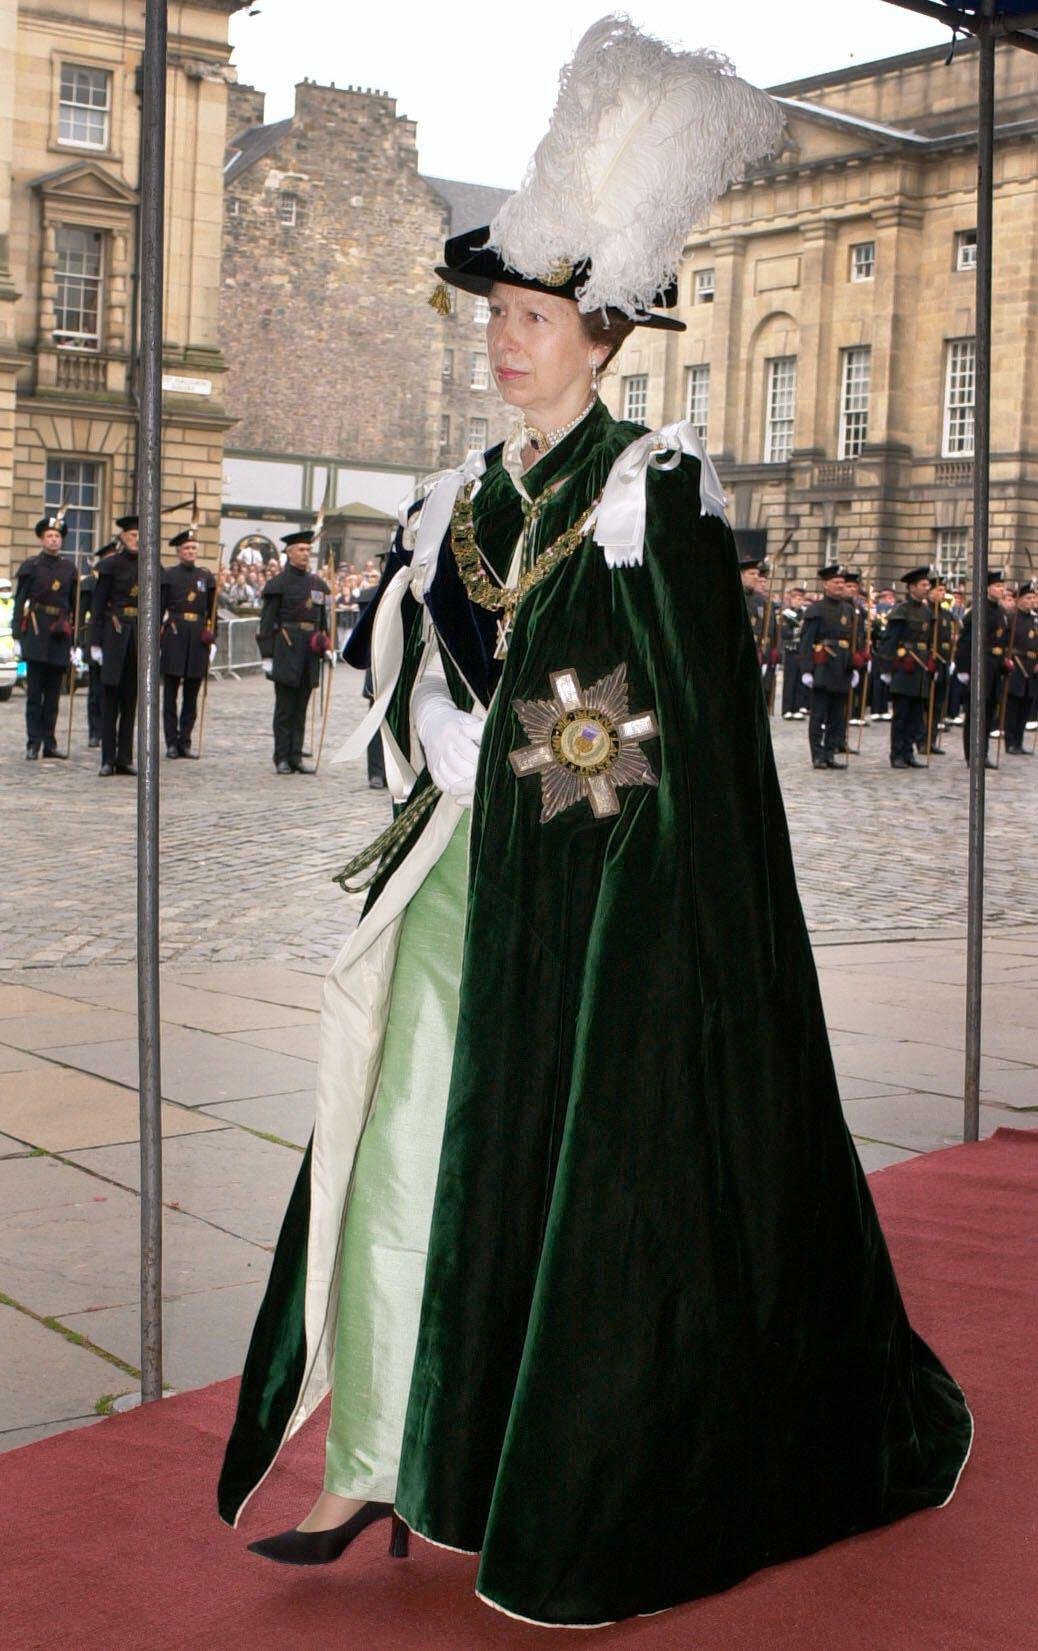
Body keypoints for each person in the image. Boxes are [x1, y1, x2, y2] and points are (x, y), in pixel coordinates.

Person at [220, 18, 971, 1631]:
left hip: (606, 899)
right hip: (461, 880)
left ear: (602, 330)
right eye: (493, 312)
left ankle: (529, 1461)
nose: (503, 341)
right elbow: (436, 690)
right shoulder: (458, 496)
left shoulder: (660, 494)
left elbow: (667, 738)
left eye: (533, 316)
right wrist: (441, 739)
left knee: (556, 1179)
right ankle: (371, 1451)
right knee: (400, 1128)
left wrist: (551, 794)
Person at [256, 530, 331, 773]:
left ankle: (296, 756)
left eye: (308, 550)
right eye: (300, 550)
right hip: (286, 648)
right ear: (289, 553)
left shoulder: (317, 584)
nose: (305, 554)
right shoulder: (278, 584)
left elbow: (322, 618)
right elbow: (266, 624)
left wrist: (326, 643)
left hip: (310, 651)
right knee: (285, 708)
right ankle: (282, 757)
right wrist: (267, 655)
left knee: (301, 707)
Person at [12, 512, 78, 760]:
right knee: (34, 694)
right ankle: (33, 742)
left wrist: (75, 643)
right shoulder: (31, 566)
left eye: (57, 536)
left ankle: (50, 742)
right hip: (37, 632)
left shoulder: (70, 568)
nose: (53, 540)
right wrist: (18, 635)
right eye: (49, 536)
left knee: (53, 695)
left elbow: (74, 607)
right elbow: (20, 602)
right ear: (41, 539)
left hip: (59, 634)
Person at [159, 529, 217, 758]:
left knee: (192, 694)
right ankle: (171, 742)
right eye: (186, 548)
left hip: (197, 638)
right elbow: (160, 607)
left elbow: (212, 611)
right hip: (175, 633)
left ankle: (186, 741)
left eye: (193, 548)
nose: (191, 552)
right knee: (170, 693)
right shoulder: (169, 575)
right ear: (178, 551)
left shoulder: (205, 577)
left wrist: (213, 638)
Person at [89, 515, 140, 776]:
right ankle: (107, 758)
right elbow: (97, 607)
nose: (137, 540)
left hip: (138, 637)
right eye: (132, 535)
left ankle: (125, 757)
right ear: (122, 537)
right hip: (114, 633)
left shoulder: (151, 567)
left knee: (131, 700)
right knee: (110, 699)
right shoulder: (110, 566)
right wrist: (95, 642)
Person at [798, 564, 856, 769]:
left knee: (837, 715)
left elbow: (851, 640)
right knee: (819, 713)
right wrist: (806, 669)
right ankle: (817, 754)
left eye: (842, 582)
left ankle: (830, 752)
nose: (840, 586)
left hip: (842, 666)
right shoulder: (816, 609)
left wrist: (854, 666)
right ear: (826, 585)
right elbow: (806, 641)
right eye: (836, 582)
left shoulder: (848, 609)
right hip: (823, 665)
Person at [877, 566, 935, 769]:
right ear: (911, 587)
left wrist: (931, 659)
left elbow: (929, 641)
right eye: (923, 585)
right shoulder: (901, 611)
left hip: (921, 668)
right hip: (904, 666)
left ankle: (909, 752)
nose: (926, 588)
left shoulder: (928, 612)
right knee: (901, 714)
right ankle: (897, 753)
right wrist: (886, 668)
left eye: (928, 585)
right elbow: (889, 641)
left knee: (916, 714)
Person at [954, 568, 1011, 768]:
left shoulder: (1003, 612)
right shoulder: (978, 611)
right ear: (986, 588)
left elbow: (1003, 641)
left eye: (1002, 586)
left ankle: (983, 753)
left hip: (995, 667)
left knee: (989, 712)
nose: (1001, 589)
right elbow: (965, 642)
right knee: (975, 713)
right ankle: (973, 755)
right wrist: (963, 668)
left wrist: (1005, 660)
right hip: (980, 664)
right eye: (996, 586)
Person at [76, 543, 115, 748]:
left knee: (115, 688)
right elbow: (81, 615)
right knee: (96, 690)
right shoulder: (91, 583)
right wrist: (78, 643)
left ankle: (111, 730)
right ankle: (95, 731)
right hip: (95, 638)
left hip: (117, 638)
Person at [1002, 578, 1038, 755]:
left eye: (1033, 598)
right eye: (1028, 598)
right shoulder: (1011, 618)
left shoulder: (1035, 620)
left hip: (1032, 667)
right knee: (1013, 706)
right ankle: (1010, 742)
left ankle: (1019, 741)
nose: (1032, 601)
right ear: (1019, 600)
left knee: (1026, 706)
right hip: (1016, 664)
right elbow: (1004, 642)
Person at [779, 585, 809, 718]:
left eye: (800, 599)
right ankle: (787, 709)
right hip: (791, 649)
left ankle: (797, 707)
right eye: (795, 598)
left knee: (800, 680)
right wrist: (799, 630)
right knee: (790, 680)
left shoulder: (805, 614)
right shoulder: (786, 614)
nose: (798, 601)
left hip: (802, 650)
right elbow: (785, 633)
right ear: (790, 600)